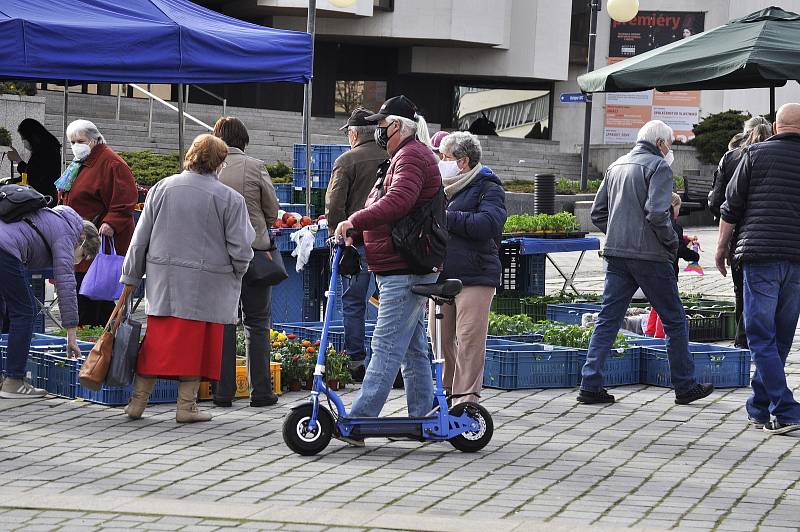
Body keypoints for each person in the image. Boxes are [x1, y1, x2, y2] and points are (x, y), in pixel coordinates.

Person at [120, 134, 255, 423]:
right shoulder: (230, 199)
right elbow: (241, 249)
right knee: (199, 346)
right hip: (209, 285)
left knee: (156, 342)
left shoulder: (161, 188)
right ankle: (187, 405)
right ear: (220, 162)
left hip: (165, 282)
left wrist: (130, 275)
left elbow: (139, 239)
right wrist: (238, 273)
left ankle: (137, 402)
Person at [579, 120, 714, 406]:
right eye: (670, 144)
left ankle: (590, 384)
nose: (671, 150)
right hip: (651, 257)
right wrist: (671, 243)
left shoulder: (615, 166)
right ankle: (684, 385)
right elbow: (656, 213)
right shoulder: (659, 167)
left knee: (608, 319)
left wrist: (618, 235)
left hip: (617, 254)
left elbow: (597, 213)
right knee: (675, 320)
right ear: (660, 143)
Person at [334, 95, 442, 436]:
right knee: (411, 349)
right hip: (399, 264)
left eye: (381, 125)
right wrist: (361, 232)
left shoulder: (410, 156)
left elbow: (398, 202)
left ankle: (359, 418)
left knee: (384, 345)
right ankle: (425, 414)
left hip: (404, 268)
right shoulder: (401, 156)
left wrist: (353, 221)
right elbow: (389, 207)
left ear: (397, 126)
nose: (378, 131)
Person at [716, 103, 800, 435]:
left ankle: (785, 409)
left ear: (776, 128)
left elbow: (731, 206)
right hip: (796, 260)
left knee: (760, 335)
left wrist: (721, 248)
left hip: (760, 255)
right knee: (778, 336)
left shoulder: (755, 155)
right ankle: (759, 407)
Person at [430, 131, 506, 405]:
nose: (440, 161)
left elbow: (488, 224)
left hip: (475, 276)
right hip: (441, 276)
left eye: (445, 157)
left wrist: (447, 218)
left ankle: (465, 400)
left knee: (469, 340)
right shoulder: (441, 187)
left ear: (463, 162)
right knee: (439, 340)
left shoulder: (488, 187)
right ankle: (445, 395)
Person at [212, 117, 280, 408]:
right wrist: (261, 228)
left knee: (224, 323)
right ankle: (261, 392)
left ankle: (222, 392)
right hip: (254, 253)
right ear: (244, 139)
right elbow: (272, 209)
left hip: (219, 256)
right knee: (258, 323)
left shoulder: (207, 168)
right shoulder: (255, 167)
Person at [0, 205, 100, 397]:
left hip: (5, 245)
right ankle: (14, 381)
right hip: (6, 249)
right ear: (82, 241)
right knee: (25, 312)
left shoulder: (57, 218)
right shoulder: (67, 234)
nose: (77, 263)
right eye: (82, 257)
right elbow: (66, 285)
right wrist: (71, 334)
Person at [325, 108, 387, 380]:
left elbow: (334, 204)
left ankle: (356, 361)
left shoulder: (347, 160)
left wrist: (338, 233)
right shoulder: (393, 157)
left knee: (353, 303)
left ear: (353, 134)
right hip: (389, 245)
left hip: (355, 243)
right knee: (389, 304)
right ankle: (387, 361)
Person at [58, 119, 137, 327]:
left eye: (80, 140)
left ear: (94, 140)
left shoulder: (112, 163)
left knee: (90, 294)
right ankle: (104, 339)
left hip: (95, 242)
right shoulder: (80, 163)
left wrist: (111, 222)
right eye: (72, 141)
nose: (76, 145)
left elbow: (125, 200)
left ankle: (96, 340)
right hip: (79, 238)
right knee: (93, 297)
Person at [708, 116, 771, 348]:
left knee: (741, 291)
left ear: (744, 132)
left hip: (738, 235)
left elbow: (716, 201)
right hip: (772, 234)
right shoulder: (774, 154)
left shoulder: (732, 157)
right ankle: (763, 342)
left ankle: (742, 341)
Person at [6, 119, 61, 204]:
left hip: (42, 199)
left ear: (32, 136)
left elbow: (32, 175)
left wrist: (18, 159)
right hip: (43, 197)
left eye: (24, 138)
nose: (23, 142)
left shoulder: (46, 152)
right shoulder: (47, 149)